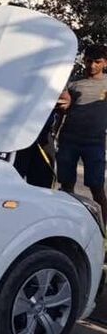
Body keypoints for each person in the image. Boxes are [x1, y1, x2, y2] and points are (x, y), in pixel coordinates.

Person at [55, 44, 107, 219]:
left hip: (95, 143)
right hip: (69, 140)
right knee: (66, 186)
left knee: (97, 188)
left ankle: (103, 230)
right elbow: (63, 109)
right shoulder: (73, 83)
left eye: (97, 62)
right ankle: (67, 223)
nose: (92, 66)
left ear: (105, 63)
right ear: (84, 61)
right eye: (89, 61)